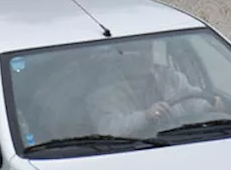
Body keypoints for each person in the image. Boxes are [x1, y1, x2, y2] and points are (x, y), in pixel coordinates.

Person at [87, 44, 223, 137]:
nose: (145, 56)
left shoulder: (170, 78)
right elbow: (108, 131)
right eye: (137, 52)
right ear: (121, 59)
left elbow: (193, 101)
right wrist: (145, 116)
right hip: (133, 152)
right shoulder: (103, 95)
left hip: (182, 140)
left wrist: (210, 105)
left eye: (148, 50)